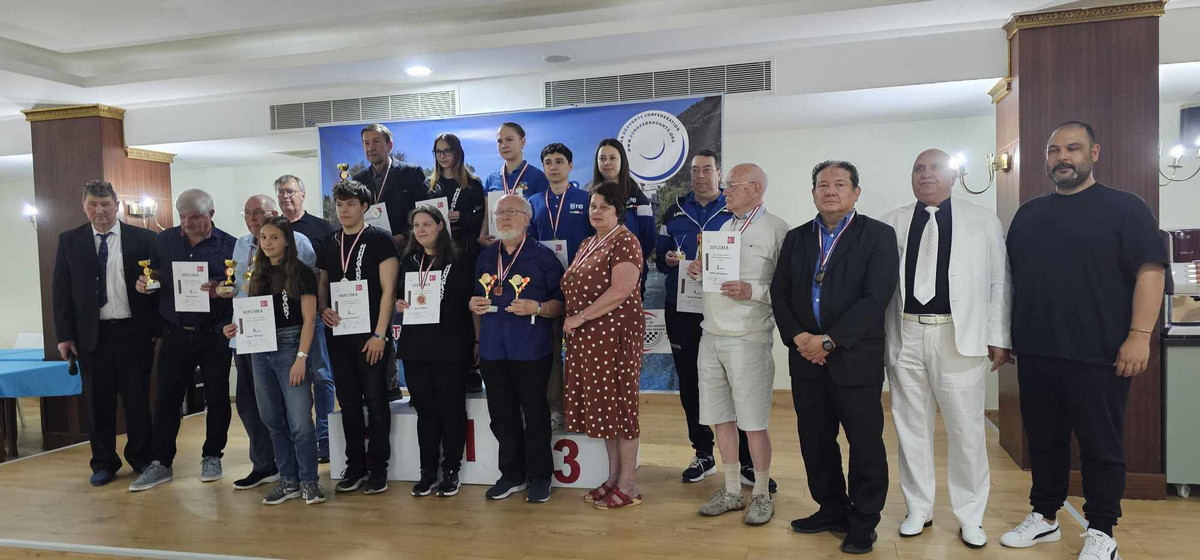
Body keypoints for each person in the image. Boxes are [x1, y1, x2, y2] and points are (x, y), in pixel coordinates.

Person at [1001, 122, 1167, 560]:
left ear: (1094, 153)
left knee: (1100, 446)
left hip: (1101, 353)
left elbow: (1151, 271)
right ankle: (1045, 517)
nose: (1062, 157)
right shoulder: (1029, 214)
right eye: (1054, 150)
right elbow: (1010, 279)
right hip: (1037, 350)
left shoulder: (1125, 208)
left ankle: (1101, 530)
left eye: (1073, 148)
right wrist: (1005, 336)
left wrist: (1139, 336)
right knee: (1044, 441)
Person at [878, 149, 1011, 548]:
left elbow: (1000, 280)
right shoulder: (892, 223)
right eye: (918, 168)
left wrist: (999, 335)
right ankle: (918, 508)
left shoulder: (982, 220)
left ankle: (970, 515)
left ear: (952, 175)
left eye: (934, 167)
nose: (925, 174)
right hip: (906, 334)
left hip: (959, 336)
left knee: (966, 431)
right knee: (910, 427)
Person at [770, 161, 898, 554]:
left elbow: (876, 297)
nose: (830, 191)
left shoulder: (878, 235)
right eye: (822, 184)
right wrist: (800, 338)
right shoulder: (796, 238)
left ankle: (864, 521)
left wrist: (829, 341)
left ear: (856, 192)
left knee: (865, 443)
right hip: (805, 358)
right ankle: (831, 508)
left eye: (840, 184)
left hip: (855, 358)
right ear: (813, 193)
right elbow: (780, 293)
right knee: (815, 439)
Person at [656, 149, 767, 490]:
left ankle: (748, 462)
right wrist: (670, 260)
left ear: (719, 173)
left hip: (725, 309)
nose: (700, 176)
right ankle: (703, 453)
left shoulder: (734, 209)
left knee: (736, 386)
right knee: (691, 382)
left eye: (707, 169)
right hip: (682, 305)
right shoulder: (674, 210)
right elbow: (660, 259)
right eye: (695, 170)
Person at [684, 164, 789, 525]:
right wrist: (698, 270)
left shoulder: (776, 230)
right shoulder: (723, 229)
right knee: (720, 418)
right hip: (711, 334)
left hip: (748, 338)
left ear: (756, 188)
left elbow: (787, 289)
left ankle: (760, 493)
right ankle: (731, 490)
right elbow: (714, 278)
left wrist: (752, 290)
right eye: (726, 185)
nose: (725, 191)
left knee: (753, 422)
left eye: (732, 185)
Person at [130, 189, 238, 492]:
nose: (187, 223)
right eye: (182, 217)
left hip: (215, 333)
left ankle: (212, 456)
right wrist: (146, 284)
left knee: (217, 398)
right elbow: (155, 275)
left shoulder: (230, 245)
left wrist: (220, 288)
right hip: (176, 333)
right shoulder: (165, 240)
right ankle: (160, 462)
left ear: (211, 215)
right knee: (166, 399)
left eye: (195, 217)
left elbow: (238, 287)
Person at [52, 180, 158, 486]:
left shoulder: (144, 238)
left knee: (137, 400)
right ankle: (103, 462)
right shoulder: (70, 240)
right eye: (92, 205)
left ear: (117, 206)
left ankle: (141, 457)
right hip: (91, 336)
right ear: (84, 207)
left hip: (133, 333)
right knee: (98, 403)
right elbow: (61, 290)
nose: (99, 210)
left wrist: (156, 326)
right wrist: (64, 336)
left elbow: (158, 282)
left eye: (105, 204)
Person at [222, 217, 324, 505]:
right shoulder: (258, 272)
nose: (267, 242)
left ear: (287, 240)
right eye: (264, 237)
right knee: (271, 419)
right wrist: (236, 328)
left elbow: (309, 320)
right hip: (259, 349)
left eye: (274, 237)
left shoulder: (302, 272)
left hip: (291, 347)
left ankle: (309, 480)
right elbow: (254, 314)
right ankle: (288, 480)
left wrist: (301, 358)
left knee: (300, 422)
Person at [469, 194, 564, 503]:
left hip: (531, 350)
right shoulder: (485, 257)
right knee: (501, 415)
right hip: (493, 349)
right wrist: (472, 304)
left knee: (535, 415)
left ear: (527, 219)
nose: (505, 217)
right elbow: (475, 298)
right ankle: (512, 475)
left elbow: (561, 304)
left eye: (511, 211)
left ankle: (540, 476)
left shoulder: (543, 257)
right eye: (500, 213)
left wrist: (537, 307)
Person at [560, 181, 645, 510]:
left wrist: (580, 317)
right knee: (606, 411)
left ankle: (629, 485)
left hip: (615, 339)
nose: (596, 211)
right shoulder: (587, 242)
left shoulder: (626, 241)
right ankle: (613, 478)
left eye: (604, 207)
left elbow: (620, 291)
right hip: (589, 341)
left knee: (621, 410)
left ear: (618, 211)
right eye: (593, 206)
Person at [316, 180, 400, 496]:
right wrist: (323, 308)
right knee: (349, 403)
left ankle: (378, 469)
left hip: (371, 336)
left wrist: (380, 334)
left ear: (365, 206)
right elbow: (323, 283)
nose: (344, 210)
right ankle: (355, 467)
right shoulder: (330, 242)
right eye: (339, 205)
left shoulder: (380, 240)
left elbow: (389, 292)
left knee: (376, 401)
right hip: (339, 335)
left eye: (350, 204)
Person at [395, 207, 475, 498]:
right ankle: (427, 471)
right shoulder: (409, 261)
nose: (421, 230)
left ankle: (451, 469)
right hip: (416, 346)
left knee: (451, 410)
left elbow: (470, 301)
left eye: (427, 224)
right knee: (425, 412)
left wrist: (476, 341)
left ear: (441, 226)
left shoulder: (460, 258)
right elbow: (400, 296)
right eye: (416, 225)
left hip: (451, 346)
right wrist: (400, 304)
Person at [352, 125, 425, 399]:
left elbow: (424, 213)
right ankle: (387, 384)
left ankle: (415, 387)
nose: (371, 147)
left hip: (406, 256)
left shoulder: (411, 173)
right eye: (366, 143)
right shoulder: (358, 179)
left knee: (408, 316)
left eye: (376, 142)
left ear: (389, 145)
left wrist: (404, 237)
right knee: (378, 316)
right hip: (373, 260)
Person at [528, 143, 593, 430]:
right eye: (548, 162)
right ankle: (556, 408)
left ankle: (587, 408)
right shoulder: (533, 202)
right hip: (547, 288)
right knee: (552, 352)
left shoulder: (586, 199)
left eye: (559, 161)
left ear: (570, 166)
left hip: (582, 288)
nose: (553, 166)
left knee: (584, 354)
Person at [275, 174, 337, 463]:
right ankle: (302, 438)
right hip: (284, 321)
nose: (286, 197)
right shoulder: (273, 229)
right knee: (292, 380)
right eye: (281, 193)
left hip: (315, 314)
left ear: (303, 194)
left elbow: (327, 271)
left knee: (322, 376)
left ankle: (325, 437)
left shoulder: (322, 228)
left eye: (290, 191)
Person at [590, 139, 656, 293]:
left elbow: (649, 238)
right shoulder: (590, 195)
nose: (607, 163)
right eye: (602, 158)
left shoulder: (638, 198)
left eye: (612, 158)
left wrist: (629, 262)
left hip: (630, 274)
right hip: (596, 273)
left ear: (622, 161)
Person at [480, 122, 550, 246]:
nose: (504, 145)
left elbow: (542, 215)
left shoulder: (537, 176)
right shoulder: (491, 179)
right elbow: (487, 213)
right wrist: (482, 235)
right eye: (500, 141)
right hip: (499, 244)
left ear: (522, 142)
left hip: (528, 245)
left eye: (509, 139)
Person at [425, 133, 485, 259]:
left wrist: (461, 217)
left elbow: (482, 220)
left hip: (466, 248)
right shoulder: (429, 185)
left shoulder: (472, 183)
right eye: (438, 152)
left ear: (457, 153)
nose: (442, 156)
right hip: (437, 248)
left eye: (447, 151)